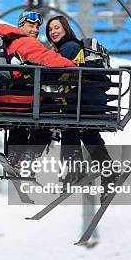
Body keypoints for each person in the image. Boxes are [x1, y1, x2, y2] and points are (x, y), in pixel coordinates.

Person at [0, 11, 78, 169]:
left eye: (37, 27)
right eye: (30, 25)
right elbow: (49, 58)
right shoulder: (26, 42)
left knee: (24, 113)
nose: (35, 30)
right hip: (18, 100)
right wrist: (74, 65)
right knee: (48, 112)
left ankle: (13, 156)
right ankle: (29, 157)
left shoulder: (8, 41)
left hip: (4, 98)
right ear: (20, 26)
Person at [46, 15, 117, 192]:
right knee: (86, 133)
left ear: (66, 29)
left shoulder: (70, 46)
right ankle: (107, 173)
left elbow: (52, 71)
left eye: (57, 27)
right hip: (87, 99)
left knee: (70, 127)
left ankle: (74, 173)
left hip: (83, 98)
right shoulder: (70, 48)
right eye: (50, 30)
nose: (53, 32)